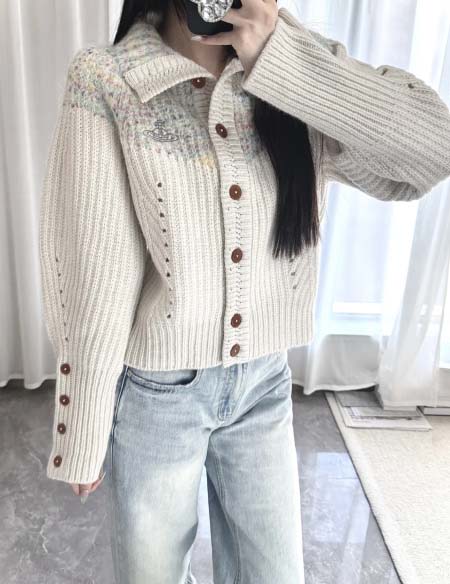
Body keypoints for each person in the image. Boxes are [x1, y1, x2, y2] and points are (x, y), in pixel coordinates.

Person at [38, 0, 450, 582]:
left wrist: (284, 61)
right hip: (157, 396)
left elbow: (434, 148)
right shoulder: (109, 79)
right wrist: (82, 422)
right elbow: (95, 265)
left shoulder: (297, 71)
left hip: (263, 386)